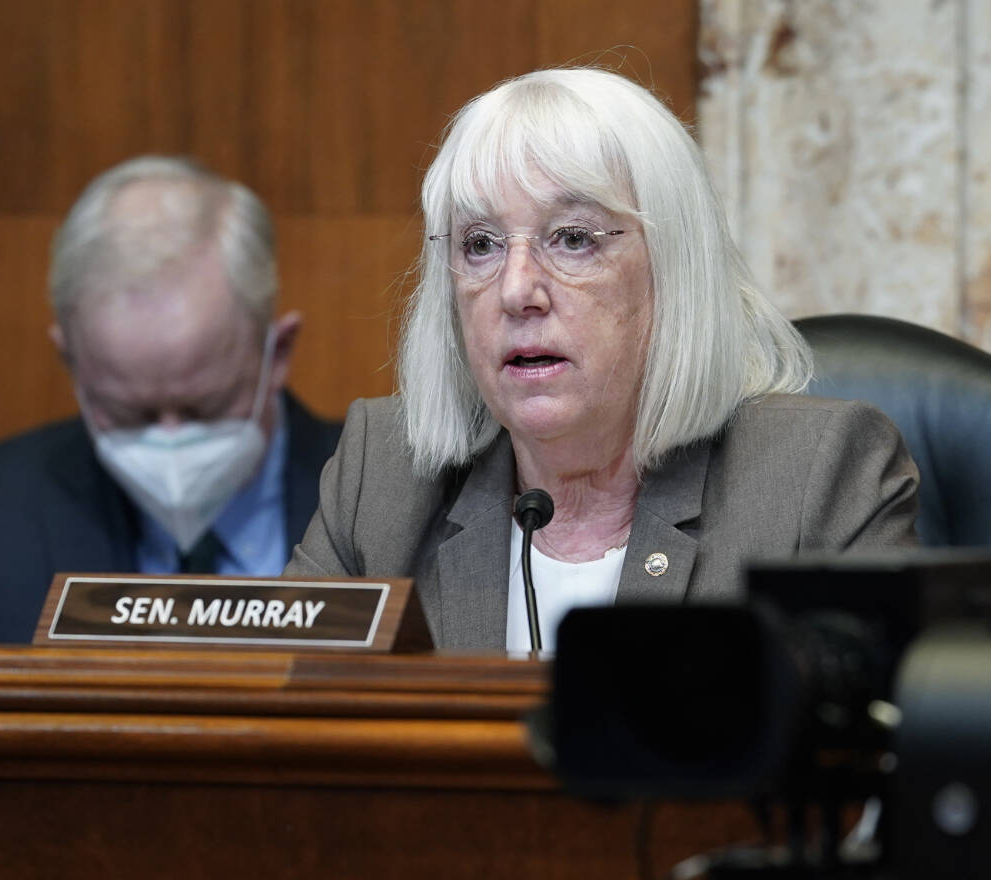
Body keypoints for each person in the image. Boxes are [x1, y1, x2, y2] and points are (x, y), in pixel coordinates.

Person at [285, 69, 919, 652]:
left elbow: (858, 762)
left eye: (574, 239)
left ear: (674, 270)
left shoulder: (816, 477)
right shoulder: (383, 476)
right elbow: (282, 737)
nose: (516, 291)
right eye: (480, 244)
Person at [0, 156, 342, 643]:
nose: (170, 443)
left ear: (277, 353)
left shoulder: (404, 504)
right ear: (71, 363)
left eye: (204, 408)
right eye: (130, 414)